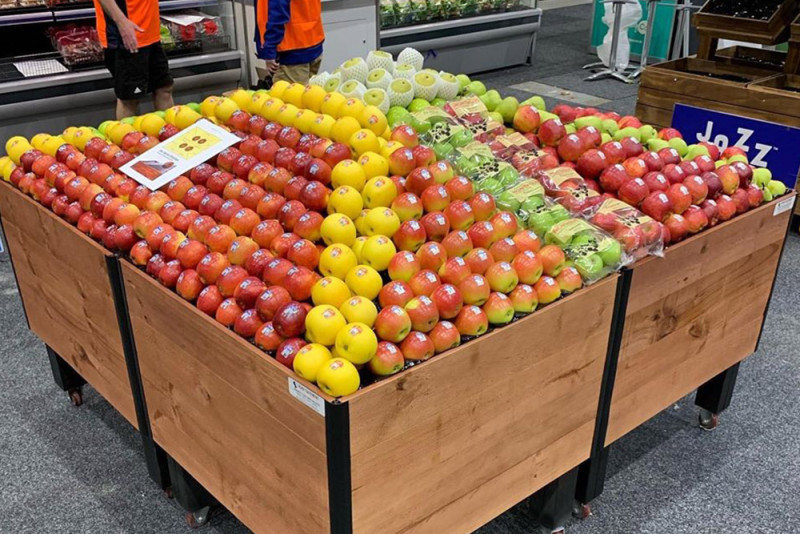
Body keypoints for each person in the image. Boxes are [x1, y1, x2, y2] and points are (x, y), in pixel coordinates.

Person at [94, 0, 174, 119]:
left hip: (150, 33)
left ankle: (170, 133)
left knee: (164, 88)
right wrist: (122, 22)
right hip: (125, 37)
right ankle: (126, 136)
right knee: (130, 99)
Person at [255, 0, 324, 85]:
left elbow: (278, 14)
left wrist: (269, 49)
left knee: (289, 96)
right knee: (308, 95)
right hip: (312, 41)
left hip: (291, 51)